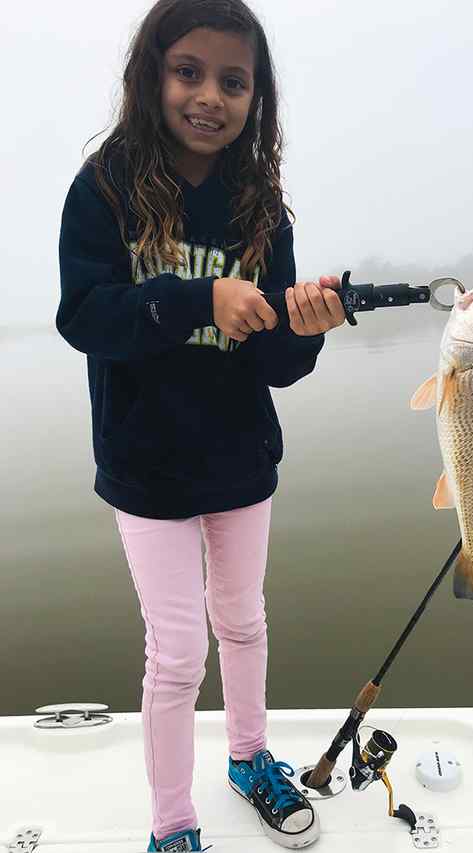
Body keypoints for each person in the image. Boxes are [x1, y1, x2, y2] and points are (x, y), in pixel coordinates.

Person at [56, 1, 346, 850]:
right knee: (177, 654)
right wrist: (197, 298)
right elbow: (86, 317)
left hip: (240, 460)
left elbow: (277, 367)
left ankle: (250, 754)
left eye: (234, 80)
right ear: (151, 75)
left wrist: (306, 326)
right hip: (146, 468)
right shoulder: (103, 188)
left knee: (245, 620)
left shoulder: (263, 208)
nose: (209, 95)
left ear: (258, 98)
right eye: (188, 71)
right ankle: (172, 821)